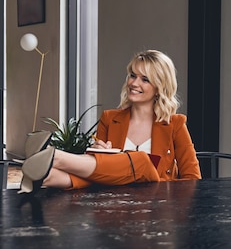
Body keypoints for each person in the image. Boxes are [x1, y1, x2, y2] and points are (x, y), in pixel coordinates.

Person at [19, 49, 201, 193]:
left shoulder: (175, 124)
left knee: (141, 161)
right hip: (113, 196)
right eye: (132, 75)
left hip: (155, 202)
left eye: (145, 79)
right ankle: (44, 173)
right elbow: (99, 170)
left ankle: (55, 157)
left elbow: (193, 179)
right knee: (54, 176)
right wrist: (98, 152)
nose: (134, 83)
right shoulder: (110, 118)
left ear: (160, 87)